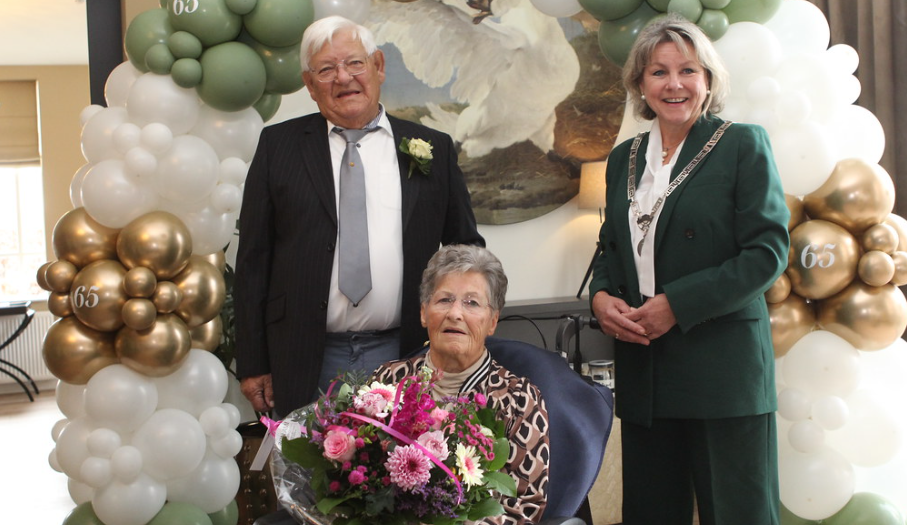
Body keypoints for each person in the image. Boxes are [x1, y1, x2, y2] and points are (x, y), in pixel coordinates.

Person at [588, 14, 790, 525]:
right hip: (646, 370)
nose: (673, 84)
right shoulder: (622, 159)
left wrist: (677, 305)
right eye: (658, 72)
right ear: (640, 84)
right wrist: (601, 295)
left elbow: (767, 252)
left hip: (722, 370)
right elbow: (611, 244)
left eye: (688, 70)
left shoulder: (742, 144)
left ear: (709, 81)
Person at [234, 16, 484, 418]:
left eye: (355, 63)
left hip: (409, 355)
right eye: (326, 69)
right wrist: (253, 364)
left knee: (409, 476)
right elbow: (252, 263)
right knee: (308, 478)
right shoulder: (277, 147)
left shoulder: (432, 148)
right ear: (310, 84)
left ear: (379, 66)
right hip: (303, 358)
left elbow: (466, 250)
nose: (343, 78)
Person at [372, 244, 549, 525]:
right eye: (444, 300)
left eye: (471, 303)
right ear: (423, 312)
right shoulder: (387, 383)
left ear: (492, 321)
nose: (455, 313)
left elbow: (523, 506)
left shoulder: (519, 399)